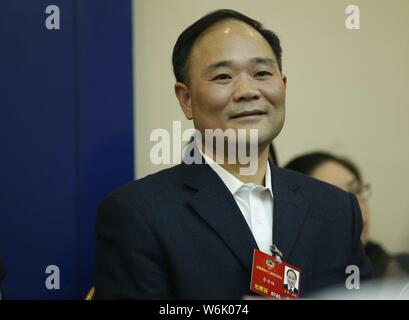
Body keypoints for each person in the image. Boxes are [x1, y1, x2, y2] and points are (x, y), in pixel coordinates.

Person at [94, 9, 371, 299]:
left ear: (283, 86)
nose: (248, 91)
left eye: (262, 73)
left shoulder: (337, 210)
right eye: (223, 76)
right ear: (186, 100)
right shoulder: (138, 214)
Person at [285, 151, 409, 279]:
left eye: (356, 190)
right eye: (333, 198)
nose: (355, 208)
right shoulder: (288, 280)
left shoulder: (400, 272)